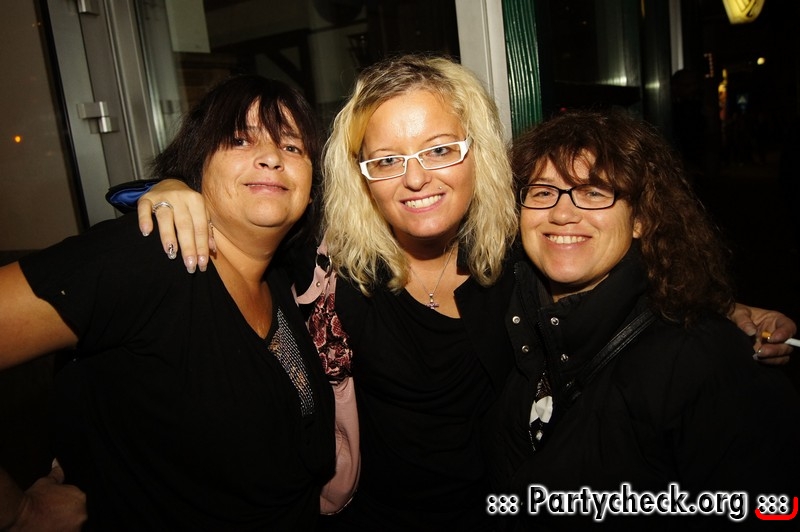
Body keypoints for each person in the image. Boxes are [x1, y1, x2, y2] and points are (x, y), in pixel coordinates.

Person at [114, 55, 797, 530]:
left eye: (441, 149)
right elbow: (250, 206)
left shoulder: (521, 254)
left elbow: (614, 265)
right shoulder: (328, 258)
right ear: (360, 174)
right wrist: (172, 187)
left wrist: (719, 311)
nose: (416, 178)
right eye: (388, 159)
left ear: (477, 154)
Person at [0, 74, 336, 530]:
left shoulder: (281, 274)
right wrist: (19, 513)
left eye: (292, 147)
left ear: (311, 186)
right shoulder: (145, 257)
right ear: (198, 165)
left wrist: (161, 186)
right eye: (240, 139)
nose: (272, 157)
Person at [487, 109, 800, 530]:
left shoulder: (703, 360)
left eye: (594, 192)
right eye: (543, 192)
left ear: (641, 218)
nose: (562, 213)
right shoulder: (513, 319)